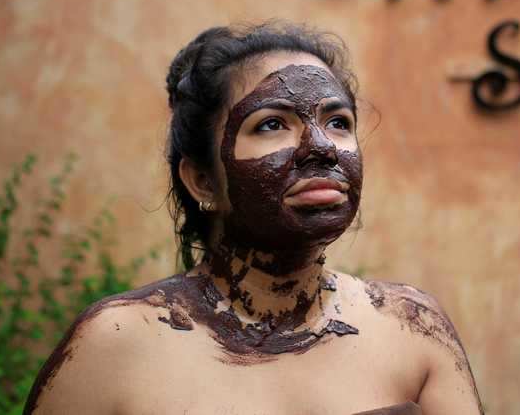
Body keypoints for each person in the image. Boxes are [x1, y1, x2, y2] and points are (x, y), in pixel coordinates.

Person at [24, 22, 484, 415]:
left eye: (339, 121)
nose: (322, 146)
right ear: (203, 180)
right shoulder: (117, 342)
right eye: (271, 123)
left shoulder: (412, 327)